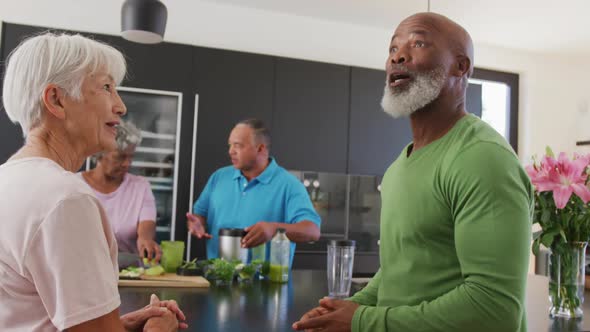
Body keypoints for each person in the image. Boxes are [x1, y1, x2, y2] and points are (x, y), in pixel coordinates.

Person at [293, 12, 533, 332]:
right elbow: (400, 270)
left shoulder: (483, 158)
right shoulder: (398, 168)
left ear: (461, 66)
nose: (398, 56)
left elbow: (493, 309)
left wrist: (363, 321)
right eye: (393, 49)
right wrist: (353, 307)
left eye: (418, 43)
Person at [0, 32, 187, 331]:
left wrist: (117, 324)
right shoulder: (65, 201)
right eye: (106, 87)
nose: (121, 106)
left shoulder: (8, 178)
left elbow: (30, 316)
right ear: (56, 100)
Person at [187, 119, 321, 266]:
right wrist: (197, 224)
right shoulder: (219, 177)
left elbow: (312, 231)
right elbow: (199, 215)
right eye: (230, 145)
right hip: (217, 278)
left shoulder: (289, 185)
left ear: (260, 149)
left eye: (238, 145)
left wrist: (274, 230)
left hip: (266, 284)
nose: (231, 151)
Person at [80, 120, 161, 262]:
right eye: (121, 157)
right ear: (99, 153)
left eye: (131, 157)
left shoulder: (140, 186)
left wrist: (145, 240)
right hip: (85, 270)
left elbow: (147, 225)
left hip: (128, 271)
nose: (127, 164)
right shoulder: (75, 186)